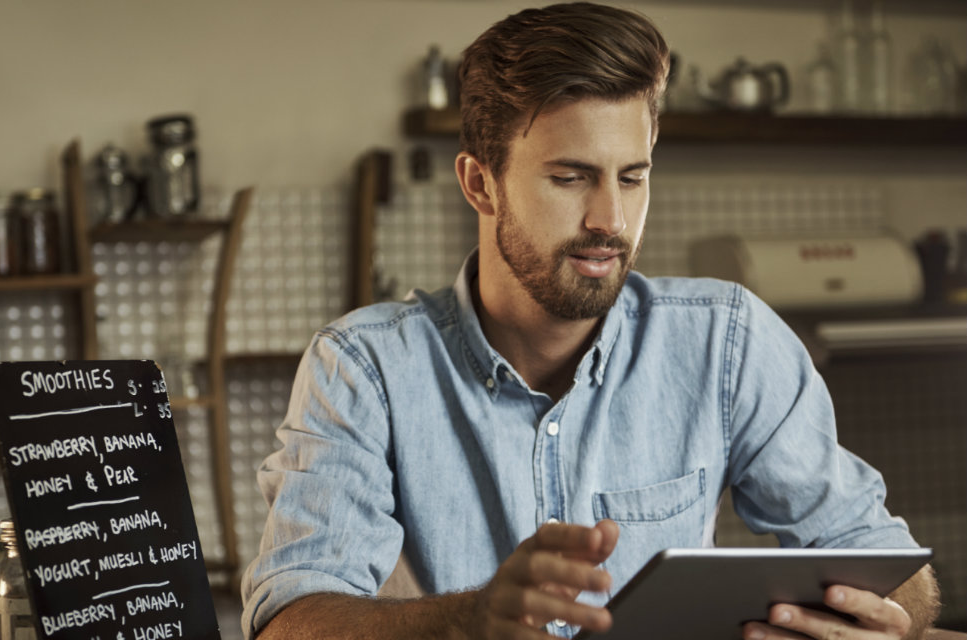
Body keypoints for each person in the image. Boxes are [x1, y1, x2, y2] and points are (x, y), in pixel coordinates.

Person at [239, 3, 941, 639]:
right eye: (570, 177)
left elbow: (894, 570)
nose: (610, 220)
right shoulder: (363, 367)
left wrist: (888, 620)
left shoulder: (726, 340)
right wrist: (468, 623)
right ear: (479, 183)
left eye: (631, 177)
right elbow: (288, 622)